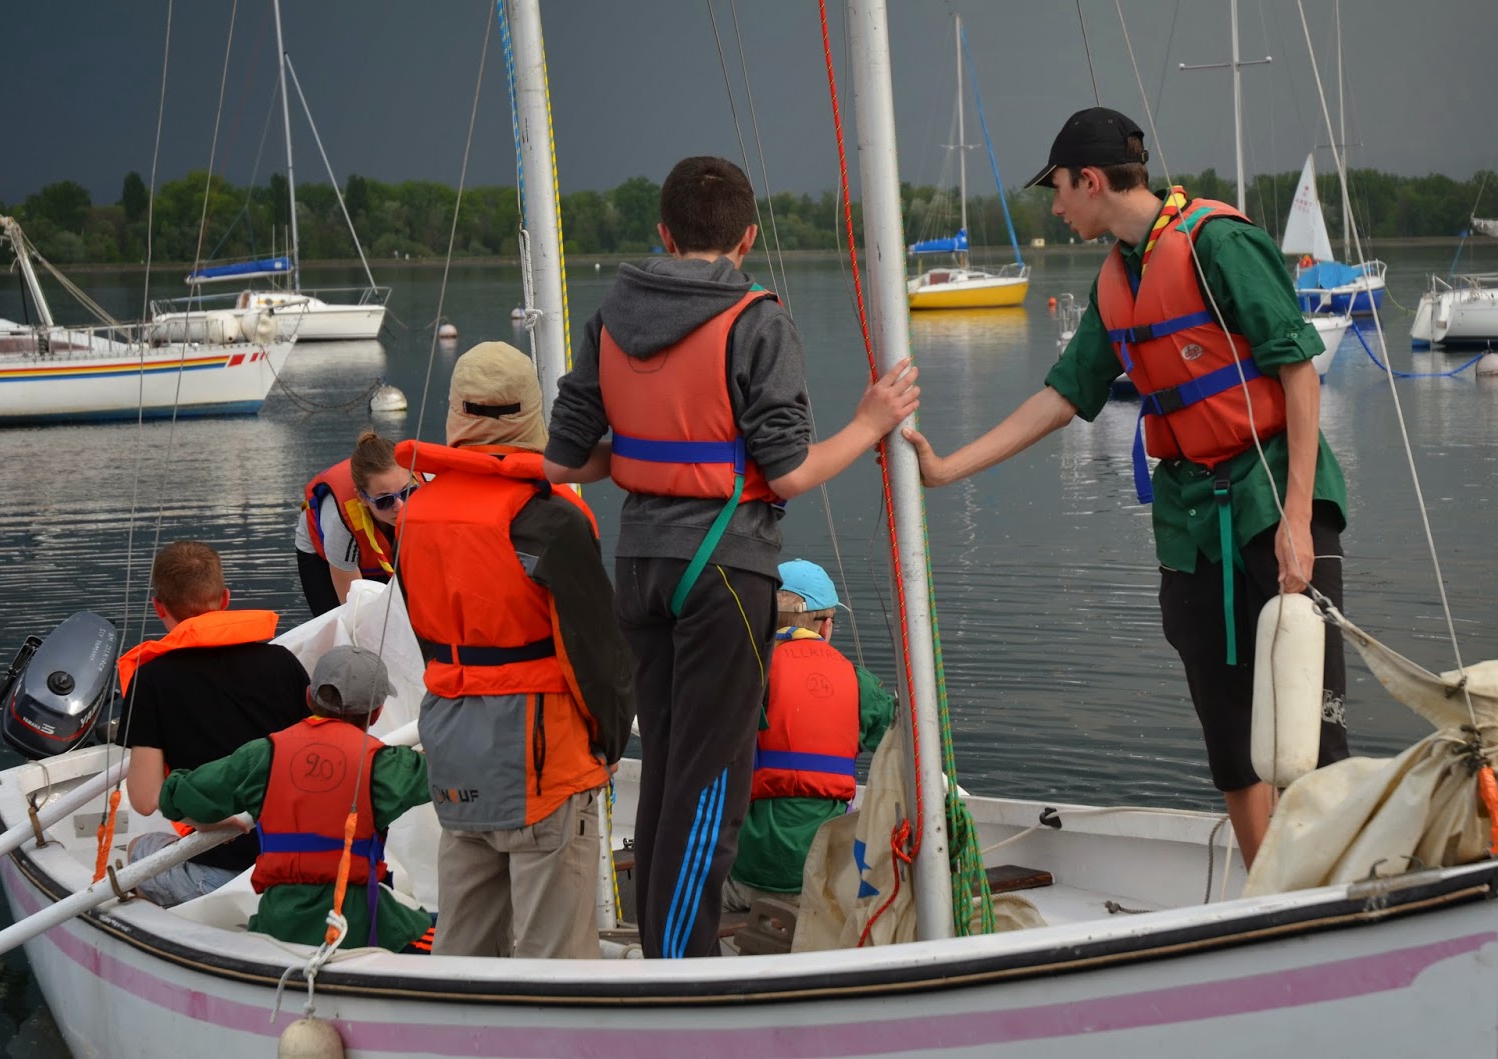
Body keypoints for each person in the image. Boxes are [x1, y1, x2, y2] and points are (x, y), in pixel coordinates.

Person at [902, 108, 1349, 868]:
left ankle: (1334, 894)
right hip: (1190, 522)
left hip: (1272, 499)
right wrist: (948, 467)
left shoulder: (1220, 245)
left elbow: (1298, 371)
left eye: (1057, 189)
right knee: (1229, 738)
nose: (1055, 206)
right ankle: (1270, 894)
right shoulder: (1118, 279)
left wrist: (1298, 520)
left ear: (1090, 180)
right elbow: (1062, 396)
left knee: (1311, 730)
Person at [543, 155, 920, 958]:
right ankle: (683, 969)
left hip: (639, 565)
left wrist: (650, 457)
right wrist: (869, 422)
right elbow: (790, 471)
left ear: (664, 232)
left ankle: (664, 950)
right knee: (712, 780)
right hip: (723, 566)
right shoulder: (757, 321)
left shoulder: (610, 316)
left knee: (666, 764)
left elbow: (563, 461)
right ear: (747, 237)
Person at [395, 341, 637, 959]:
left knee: (463, 945)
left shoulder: (414, 514)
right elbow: (596, 654)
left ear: (456, 411)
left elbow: (428, 637)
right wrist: (609, 742)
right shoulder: (550, 519)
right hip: (544, 759)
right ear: (532, 412)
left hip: (455, 747)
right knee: (554, 958)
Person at [157, 646, 434, 952]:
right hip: (356, 924)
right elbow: (452, 773)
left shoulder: (262, 755)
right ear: (378, 711)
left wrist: (209, 822)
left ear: (309, 697)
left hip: (279, 923)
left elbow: (174, 797)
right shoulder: (387, 765)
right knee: (444, 932)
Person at [119, 541, 311, 906]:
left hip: (220, 874)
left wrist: (206, 822)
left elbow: (144, 799)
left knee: (139, 848)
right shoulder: (282, 662)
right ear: (225, 599)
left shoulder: (152, 680)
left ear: (159, 607)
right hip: (298, 858)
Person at [723, 559, 893, 914]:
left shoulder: (745, 672)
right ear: (826, 625)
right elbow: (904, 750)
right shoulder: (859, 683)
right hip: (821, 880)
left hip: (745, 876)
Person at [294, 429, 419, 617]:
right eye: (384, 500)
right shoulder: (340, 525)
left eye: (407, 492)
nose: (400, 506)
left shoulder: (429, 488)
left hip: (379, 539)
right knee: (337, 621)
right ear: (361, 497)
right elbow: (353, 613)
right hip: (324, 552)